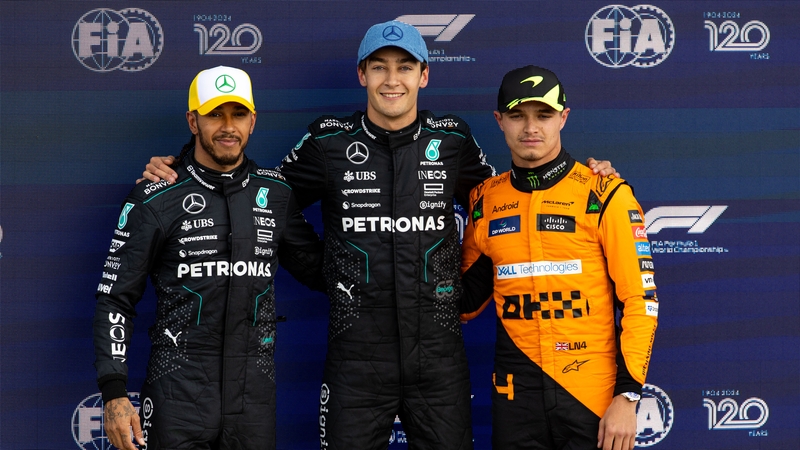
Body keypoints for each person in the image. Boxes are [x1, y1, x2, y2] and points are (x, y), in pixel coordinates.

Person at [140, 22, 616, 450]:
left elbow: (507, 200)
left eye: (405, 67)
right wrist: (183, 168)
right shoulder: (328, 142)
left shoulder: (451, 140)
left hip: (438, 359)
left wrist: (580, 175)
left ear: (423, 76)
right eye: (380, 67)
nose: (393, 80)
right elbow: (261, 196)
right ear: (362, 74)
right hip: (356, 360)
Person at [93, 66, 323, 450]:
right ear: (193, 120)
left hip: (253, 394)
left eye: (238, 114)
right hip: (176, 391)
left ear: (253, 121)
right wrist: (114, 392)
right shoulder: (155, 196)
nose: (228, 126)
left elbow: (321, 272)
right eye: (215, 114)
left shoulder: (276, 194)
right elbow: (116, 299)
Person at [459, 65, 659, 450]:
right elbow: (465, 303)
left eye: (544, 115)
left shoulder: (604, 194)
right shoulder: (485, 201)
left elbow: (640, 299)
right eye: (518, 115)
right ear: (499, 121)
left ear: (563, 118)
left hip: (592, 397)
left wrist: (629, 395)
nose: (531, 127)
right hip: (515, 400)